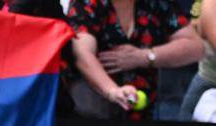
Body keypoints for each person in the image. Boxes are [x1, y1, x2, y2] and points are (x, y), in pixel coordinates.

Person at [67, 0, 204, 118]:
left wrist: (145, 56)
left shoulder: (158, 3)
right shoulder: (87, 3)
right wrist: (113, 91)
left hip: (148, 111)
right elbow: (82, 53)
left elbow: (196, 47)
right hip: (95, 113)